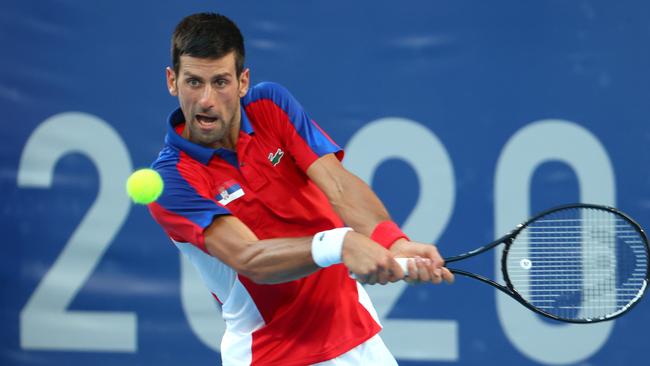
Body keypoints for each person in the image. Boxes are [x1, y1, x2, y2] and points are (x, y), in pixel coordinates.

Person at [148, 12, 454, 366]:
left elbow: (337, 184)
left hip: (357, 340)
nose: (206, 100)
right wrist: (340, 243)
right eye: (193, 82)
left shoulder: (270, 105)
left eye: (220, 82)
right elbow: (250, 259)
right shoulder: (172, 181)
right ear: (172, 81)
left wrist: (392, 240)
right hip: (273, 354)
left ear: (243, 81)